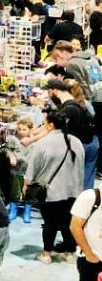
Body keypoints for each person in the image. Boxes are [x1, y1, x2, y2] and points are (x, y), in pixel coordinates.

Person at [20, 111, 86, 262]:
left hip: (51, 191)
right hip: (73, 191)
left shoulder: (43, 143)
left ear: (50, 125)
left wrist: (26, 184)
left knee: (50, 222)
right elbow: (81, 166)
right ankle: (69, 253)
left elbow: (33, 167)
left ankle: (46, 254)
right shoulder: (76, 142)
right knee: (68, 222)